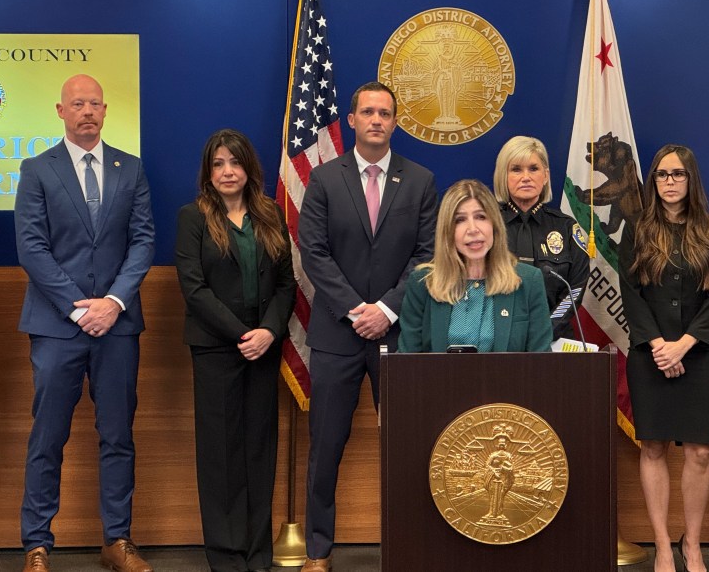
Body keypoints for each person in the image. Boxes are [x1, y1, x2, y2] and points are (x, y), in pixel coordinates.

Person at [15, 74, 155, 572]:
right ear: (61, 111)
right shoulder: (37, 169)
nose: (88, 111)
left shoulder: (130, 168)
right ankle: (37, 544)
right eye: (78, 104)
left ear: (105, 110)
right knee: (48, 436)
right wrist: (79, 308)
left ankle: (117, 540)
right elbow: (31, 247)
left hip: (117, 326)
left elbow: (143, 241)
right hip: (57, 326)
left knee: (118, 435)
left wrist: (113, 302)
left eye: (95, 103)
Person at [298, 81, 437, 572]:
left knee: (406, 446)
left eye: (385, 113)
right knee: (325, 447)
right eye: (368, 112)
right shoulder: (323, 178)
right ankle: (318, 552)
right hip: (336, 334)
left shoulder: (420, 180)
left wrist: (387, 311)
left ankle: (409, 547)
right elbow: (313, 252)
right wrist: (358, 310)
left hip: (398, 334)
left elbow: (426, 256)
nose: (377, 120)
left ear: (395, 122)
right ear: (352, 120)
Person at [174, 129, 296, 572]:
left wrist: (268, 332)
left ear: (249, 168)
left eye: (235, 162)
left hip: (264, 349)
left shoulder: (270, 214)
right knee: (221, 454)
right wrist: (242, 334)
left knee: (259, 450)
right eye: (219, 164)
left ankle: (257, 553)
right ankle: (226, 556)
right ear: (208, 172)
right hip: (216, 350)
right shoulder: (193, 217)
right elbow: (194, 288)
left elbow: (286, 284)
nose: (228, 171)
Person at [618, 144, 709, 572]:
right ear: (653, 181)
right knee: (653, 447)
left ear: (691, 179)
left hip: (698, 355)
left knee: (699, 452)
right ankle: (663, 546)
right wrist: (659, 345)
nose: (669, 182)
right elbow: (631, 292)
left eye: (678, 174)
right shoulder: (637, 229)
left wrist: (684, 344)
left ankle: (692, 544)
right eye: (662, 175)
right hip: (649, 354)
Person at [399, 179, 553, 353]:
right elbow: (406, 361)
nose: (472, 229)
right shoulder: (422, 283)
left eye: (481, 217)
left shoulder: (528, 281)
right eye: (460, 220)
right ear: (447, 231)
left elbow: (541, 361)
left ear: (494, 224)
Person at [493, 136, 590, 341]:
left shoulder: (566, 227)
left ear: (545, 176)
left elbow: (575, 289)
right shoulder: (488, 226)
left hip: (553, 339)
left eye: (533, 169)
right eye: (516, 169)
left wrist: (546, 329)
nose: (526, 177)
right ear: (503, 176)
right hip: (497, 338)